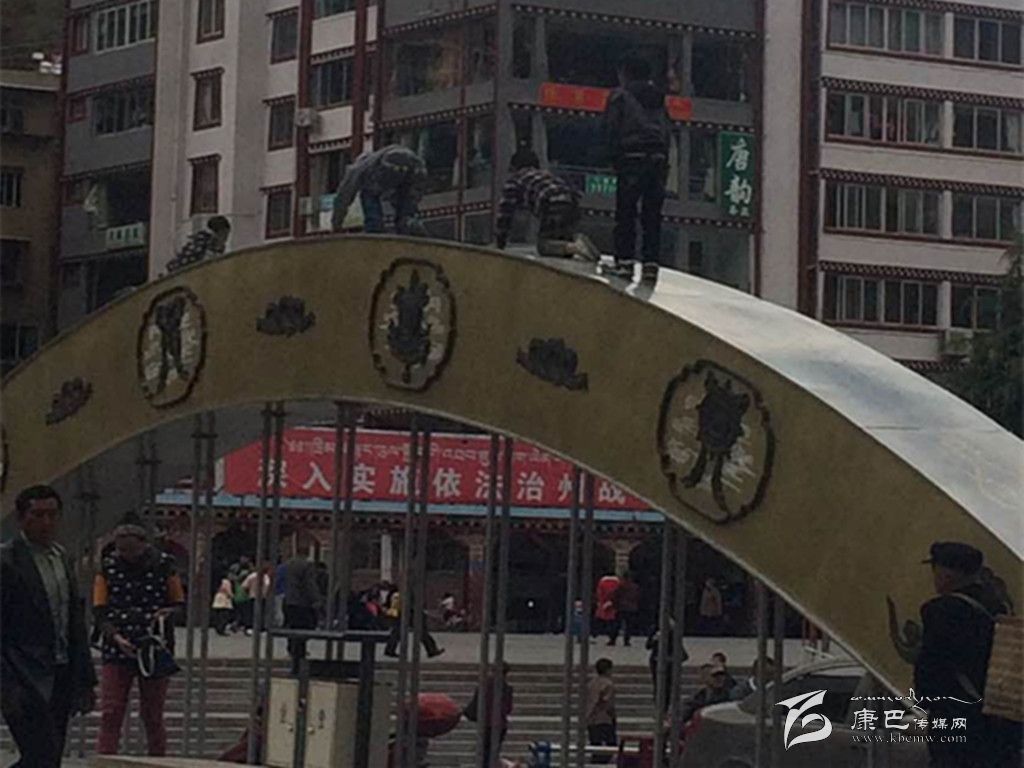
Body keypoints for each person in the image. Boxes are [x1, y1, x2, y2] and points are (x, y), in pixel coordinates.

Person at [1, 485, 97, 768]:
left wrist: (85, 680)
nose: (46, 522)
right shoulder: (7, 561)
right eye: (38, 515)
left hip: (61, 671)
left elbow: (74, 622)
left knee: (49, 758)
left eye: (52, 515)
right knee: (40, 755)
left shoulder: (61, 558)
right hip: (23, 673)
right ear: (21, 518)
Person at [913, 542, 1019, 768]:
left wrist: (925, 699)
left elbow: (931, 666)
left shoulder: (941, 610)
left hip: (957, 717)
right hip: (999, 719)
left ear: (947, 574)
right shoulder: (998, 606)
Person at [94, 514, 184, 756]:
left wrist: (166, 614)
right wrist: (114, 636)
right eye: (122, 550)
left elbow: (178, 602)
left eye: (132, 550)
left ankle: (158, 759)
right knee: (111, 711)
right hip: (117, 643)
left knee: (152, 714)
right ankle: (106, 759)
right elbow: (100, 610)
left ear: (144, 545)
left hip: (154, 645)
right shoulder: (107, 567)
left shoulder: (165, 565)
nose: (127, 555)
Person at [604, 54, 670, 282]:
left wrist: (611, 157)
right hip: (657, 160)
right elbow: (667, 132)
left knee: (626, 212)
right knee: (652, 215)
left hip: (631, 158)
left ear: (625, 73)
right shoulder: (660, 99)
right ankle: (651, 264)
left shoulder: (620, 96)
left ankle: (624, 263)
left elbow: (611, 128)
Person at [493, 149, 599, 261]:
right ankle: (577, 239)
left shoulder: (514, 180)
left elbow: (505, 214)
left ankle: (575, 246)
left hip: (551, 204)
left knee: (544, 246)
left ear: (514, 167)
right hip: (572, 202)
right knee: (561, 246)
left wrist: (500, 243)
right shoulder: (546, 174)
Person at [331, 144, 428, 235]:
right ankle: (409, 224)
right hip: (414, 167)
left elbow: (343, 197)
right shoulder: (375, 161)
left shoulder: (359, 169)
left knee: (368, 193)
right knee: (406, 210)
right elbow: (416, 185)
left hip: (395, 163)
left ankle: (374, 227)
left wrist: (336, 224)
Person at [464, 662, 514, 768]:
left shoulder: (484, 686)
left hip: (485, 723)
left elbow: (476, 703)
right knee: (493, 753)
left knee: (484, 753)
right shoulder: (507, 688)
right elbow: (508, 709)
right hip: (499, 725)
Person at [282, 554, 323, 673]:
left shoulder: (288, 565)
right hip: (302, 603)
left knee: (294, 629)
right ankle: (298, 658)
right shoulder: (307, 565)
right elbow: (309, 584)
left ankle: (294, 653)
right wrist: (316, 600)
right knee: (304, 631)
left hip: (289, 601)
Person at [383, 588, 445, 659]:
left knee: (397, 632)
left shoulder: (400, 591)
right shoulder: (408, 590)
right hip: (410, 612)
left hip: (405, 612)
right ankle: (431, 650)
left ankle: (389, 650)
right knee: (421, 632)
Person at [166, 215, 231, 273]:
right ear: (217, 233)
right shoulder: (200, 245)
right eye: (224, 234)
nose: (226, 239)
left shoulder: (217, 247)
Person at [586, 658, 617, 761]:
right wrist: (613, 716)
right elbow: (607, 702)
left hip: (591, 718)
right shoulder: (608, 684)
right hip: (604, 719)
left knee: (595, 745)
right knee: (609, 746)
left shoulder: (591, 683)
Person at [241, 565, 270, 636]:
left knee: (251, 613)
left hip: (252, 596)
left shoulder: (251, 576)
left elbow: (244, 586)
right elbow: (267, 586)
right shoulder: (265, 577)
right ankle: (261, 628)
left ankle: (250, 627)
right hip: (262, 598)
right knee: (261, 613)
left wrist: (248, 592)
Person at [615, 572, 641, 646]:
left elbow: (616, 595)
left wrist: (615, 604)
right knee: (629, 626)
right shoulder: (635, 587)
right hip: (631, 608)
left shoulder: (620, 585)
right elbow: (637, 596)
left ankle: (613, 639)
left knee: (617, 624)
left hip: (621, 607)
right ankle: (627, 640)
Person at [595, 573, 621, 645]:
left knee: (605, 621)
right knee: (614, 622)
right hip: (615, 605)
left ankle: (598, 633)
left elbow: (599, 593)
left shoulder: (602, 582)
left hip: (604, 604)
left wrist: (601, 602)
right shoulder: (618, 582)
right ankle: (613, 637)